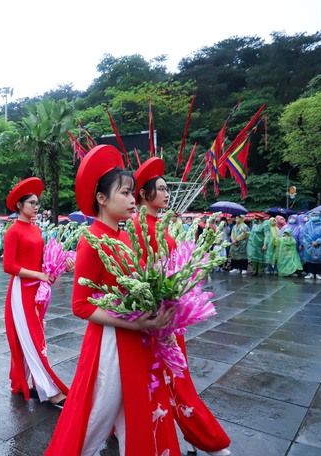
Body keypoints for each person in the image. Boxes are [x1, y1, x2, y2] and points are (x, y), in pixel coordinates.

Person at [46, 146, 180, 456]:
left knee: (137, 414)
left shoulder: (124, 237)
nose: (134, 199)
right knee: (95, 417)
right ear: (102, 199)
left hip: (136, 338)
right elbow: (80, 306)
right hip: (110, 344)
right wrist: (131, 322)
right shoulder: (91, 240)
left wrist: (158, 318)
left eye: (134, 193)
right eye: (125, 193)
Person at [131, 157, 231, 456]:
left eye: (166, 189)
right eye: (160, 189)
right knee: (175, 381)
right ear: (144, 194)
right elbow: (146, 278)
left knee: (169, 380)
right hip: (159, 320)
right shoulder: (141, 227)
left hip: (168, 315)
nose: (166, 194)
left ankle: (191, 435)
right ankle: (203, 437)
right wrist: (164, 323)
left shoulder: (156, 224)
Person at [3, 177, 69, 407]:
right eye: (31, 203)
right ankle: (48, 389)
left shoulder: (35, 229)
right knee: (31, 337)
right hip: (21, 291)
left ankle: (25, 381)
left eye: (37, 203)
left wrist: (58, 264)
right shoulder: (13, 231)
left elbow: (40, 259)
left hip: (37, 290)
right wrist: (39, 275)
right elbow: (8, 266)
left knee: (36, 335)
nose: (35, 206)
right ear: (19, 206)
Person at [302, 211, 321, 280]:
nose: (314, 217)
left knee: (320, 258)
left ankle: (319, 273)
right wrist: (311, 241)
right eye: (313, 215)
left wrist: (318, 241)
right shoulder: (307, 224)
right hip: (310, 244)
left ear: (319, 216)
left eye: (316, 215)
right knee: (310, 258)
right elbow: (305, 233)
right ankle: (310, 273)